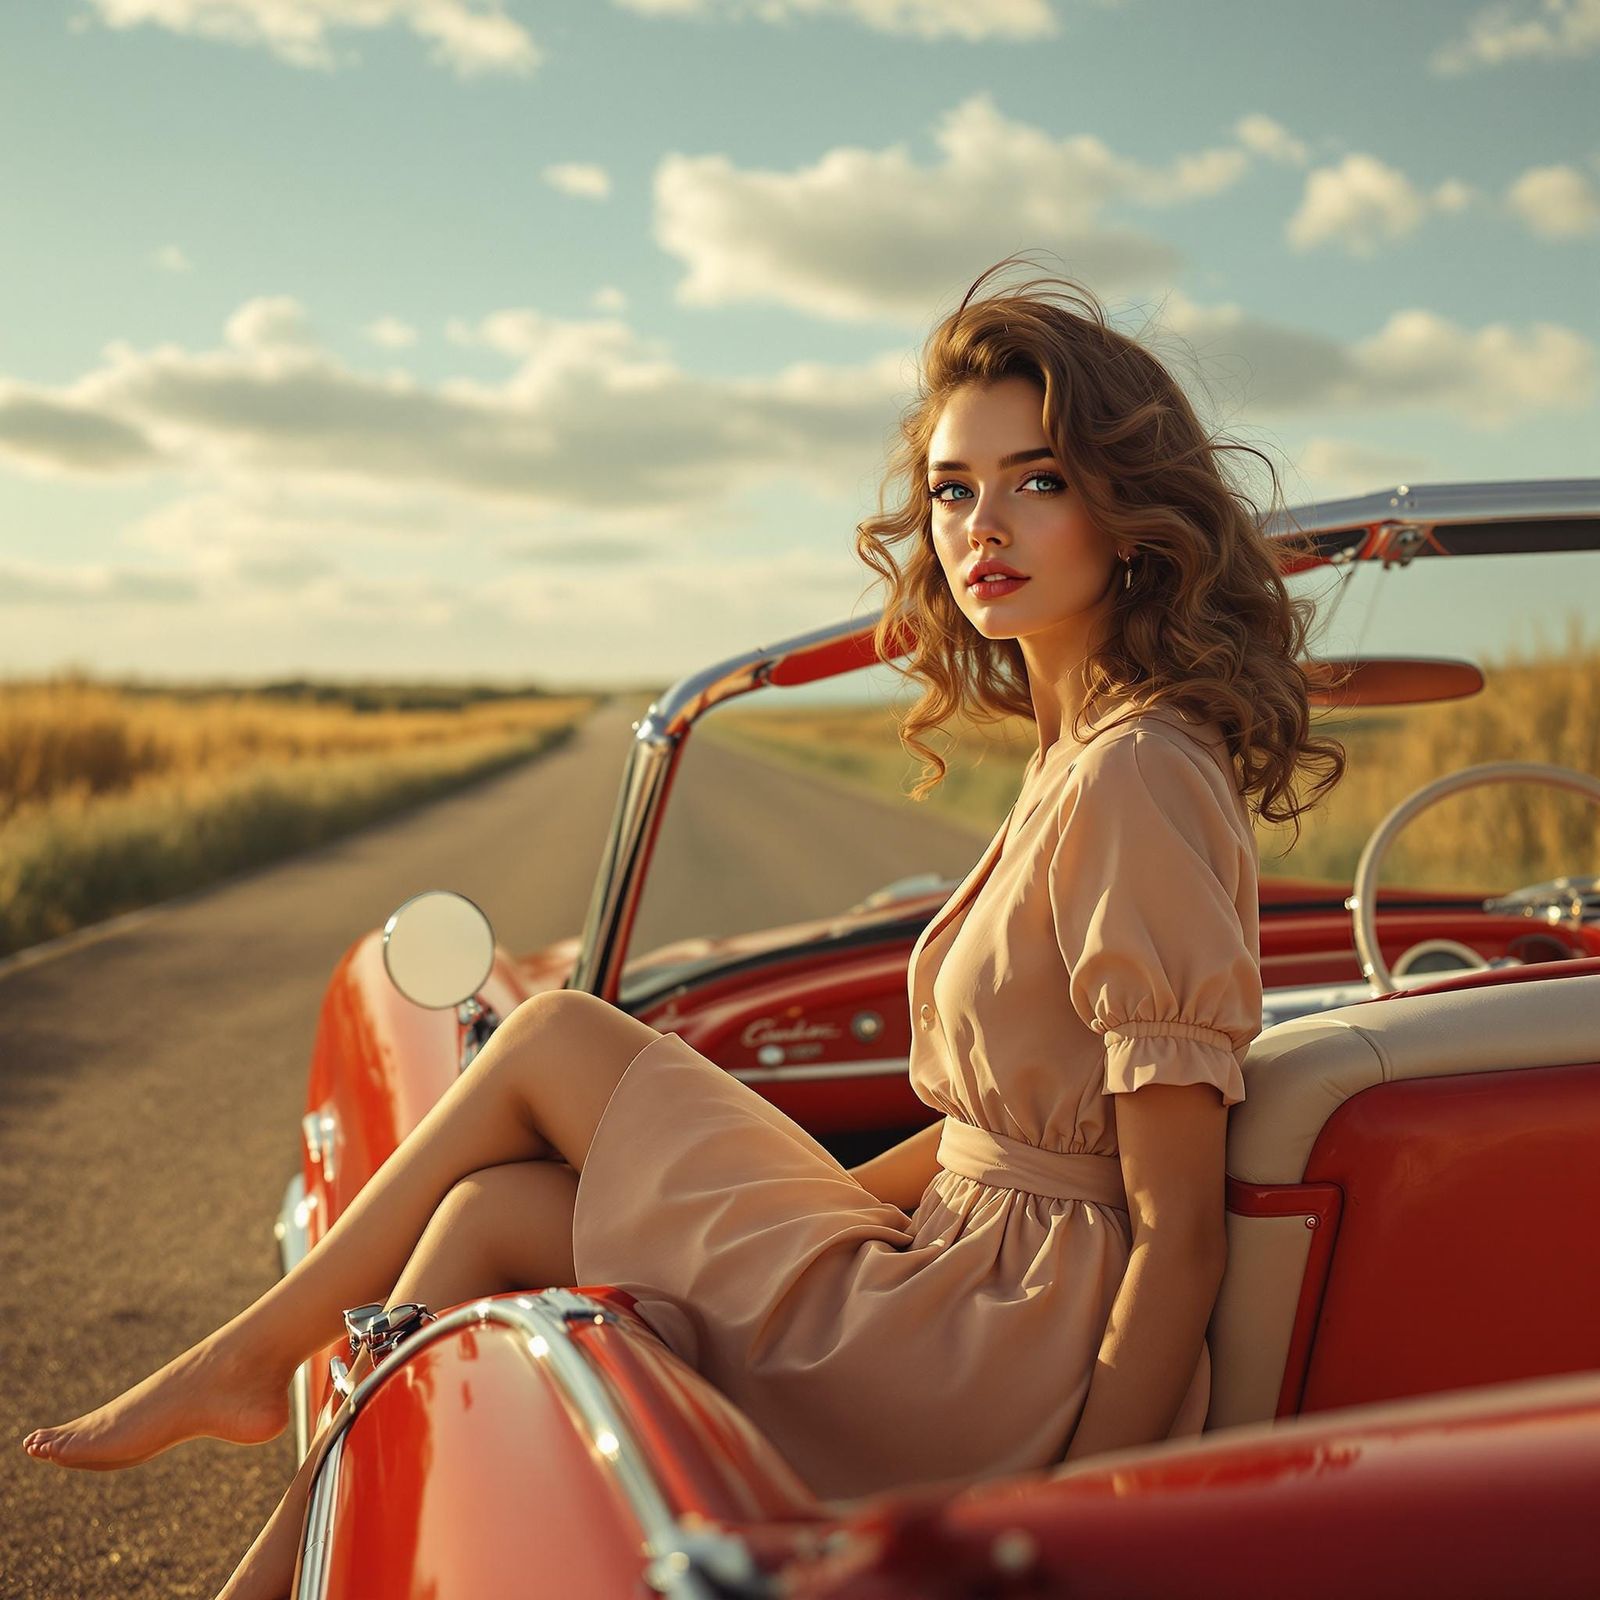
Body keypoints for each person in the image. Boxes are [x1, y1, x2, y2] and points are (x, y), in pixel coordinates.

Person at [21, 260, 1345, 1598]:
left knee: (546, 1035)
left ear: (1128, 507)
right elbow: (995, 1128)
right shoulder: (1079, 747)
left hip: (994, 1354)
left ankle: (249, 1363)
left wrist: (1082, 1528)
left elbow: (1173, 1226)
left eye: (1038, 479)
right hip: (951, 1274)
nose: (981, 524)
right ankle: (270, 1569)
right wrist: (810, 1208)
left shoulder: (1136, 769)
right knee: (495, 1212)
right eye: (954, 488)